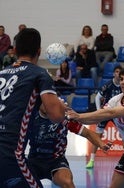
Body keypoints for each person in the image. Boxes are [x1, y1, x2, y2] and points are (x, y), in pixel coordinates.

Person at [0, 28, 66, 187]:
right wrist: (61, 105)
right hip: (9, 153)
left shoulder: (2, 73)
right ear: (39, 50)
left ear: (14, 50)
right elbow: (56, 115)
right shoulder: (39, 74)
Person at [27, 102, 111, 188]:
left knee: (67, 182)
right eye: (43, 101)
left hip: (56, 161)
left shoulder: (64, 118)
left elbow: (87, 133)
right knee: (17, 181)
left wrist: (101, 144)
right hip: (34, 161)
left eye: (48, 102)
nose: (46, 104)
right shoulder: (29, 118)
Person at [86, 65, 122, 169]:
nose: (118, 74)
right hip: (106, 113)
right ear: (114, 73)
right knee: (97, 137)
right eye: (116, 71)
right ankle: (92, 161)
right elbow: (98, 97)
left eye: (120, 72)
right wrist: (99, 111)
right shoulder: (108, 85)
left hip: (117, 113)